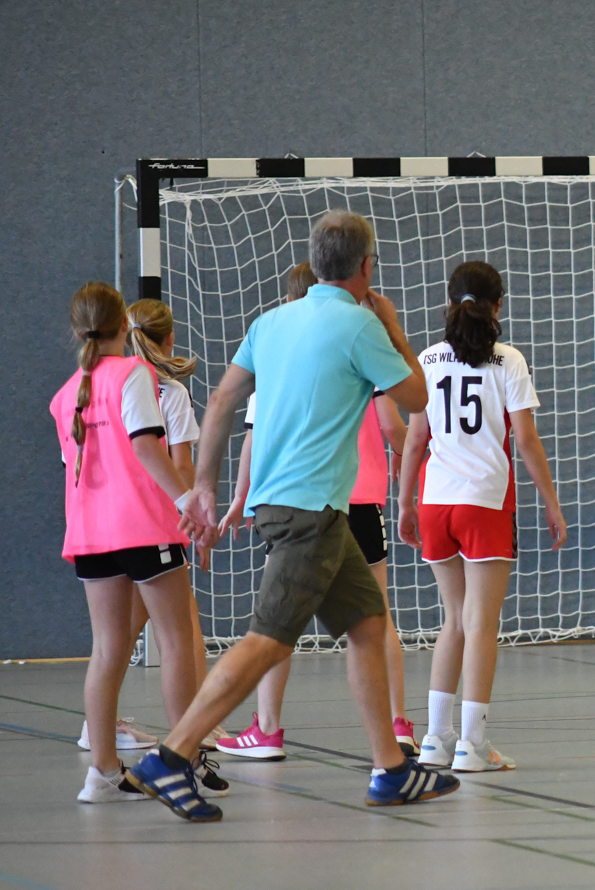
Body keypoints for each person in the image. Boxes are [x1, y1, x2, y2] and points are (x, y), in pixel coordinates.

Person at [130, 210, 458, 821]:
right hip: (308, 512)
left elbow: (222, 400)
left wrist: (205, 487)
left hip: (307, 508)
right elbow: (417, 398)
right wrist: (394, 329)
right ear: (366, 267)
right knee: (266, 641)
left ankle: (390, 769)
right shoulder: (361, 325)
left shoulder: (271, 321)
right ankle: (170, 756)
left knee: (367, 625)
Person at [215, 263, 415, 761]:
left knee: (275, 626)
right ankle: (397, 725)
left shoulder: (277, 357)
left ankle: (265, 727)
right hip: (356, 497)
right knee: (376, 618)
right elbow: (394, 422)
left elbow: (250, 434)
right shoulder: (358, 343)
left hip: (301, 500)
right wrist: (412, 457)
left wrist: (239, 497)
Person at [395, 261, 567, 773]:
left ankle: (435, 738)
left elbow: (415, 440)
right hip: (484, 503)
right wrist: (551, 502)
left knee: (453, 620)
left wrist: (404, 503)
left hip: (435, 502)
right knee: (481, 624)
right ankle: (472, 744)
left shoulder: (427, 359)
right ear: (499, 306)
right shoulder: (508, 360)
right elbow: (526, 440)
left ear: (449, 303)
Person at [49, 282, 207, 803]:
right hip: (142, 526)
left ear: (78, 332)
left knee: (107, 649)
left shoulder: (65, 395)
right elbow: (145, 447)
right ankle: (184, 761)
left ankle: (102, 772)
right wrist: (187, 501)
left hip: (90, 534)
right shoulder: (133, 374)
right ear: (123, 326)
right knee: (176, 640)